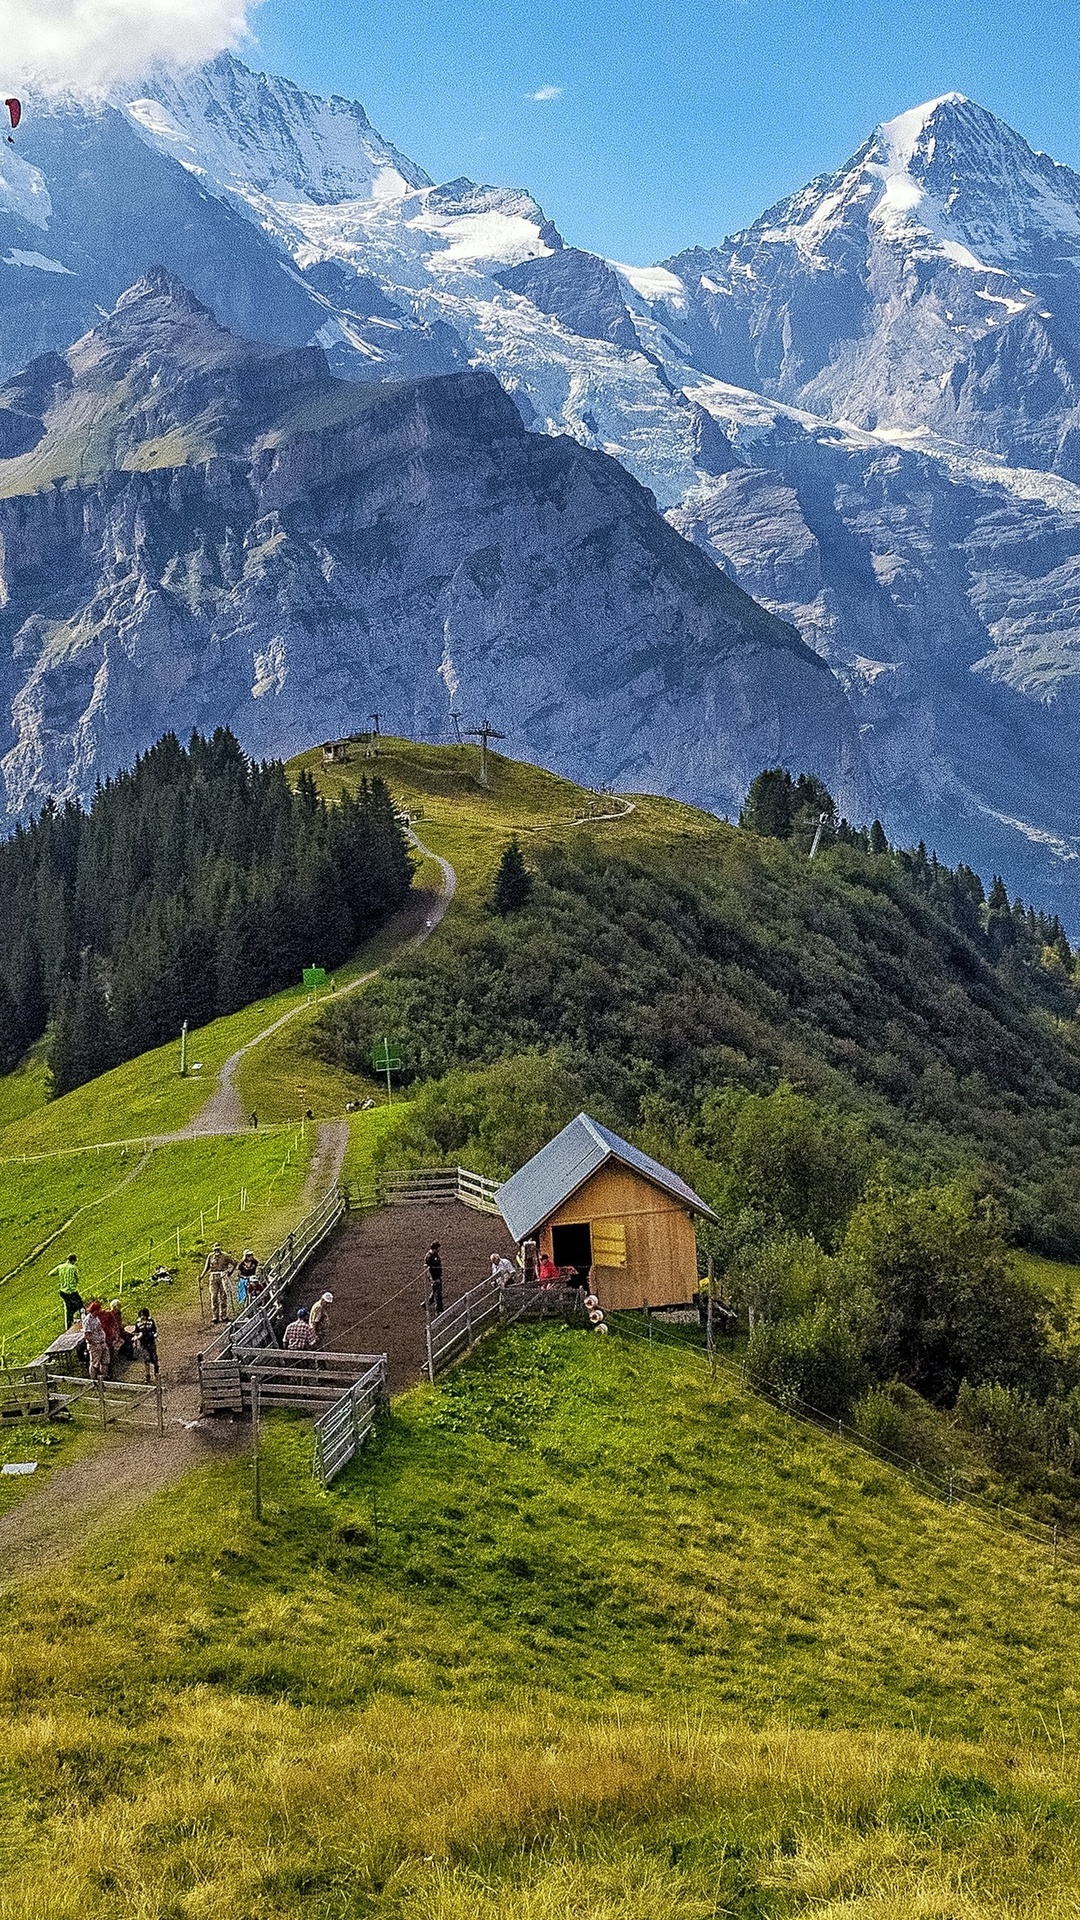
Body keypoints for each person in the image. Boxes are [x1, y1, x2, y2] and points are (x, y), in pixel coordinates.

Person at [202, 1244, 236, 1324]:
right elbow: (206, 1267)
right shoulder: (210, 1256)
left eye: (218, 1249)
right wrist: (201, 1276)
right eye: (215, 1250)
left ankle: (223, 1315)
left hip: (222, 1276)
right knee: (214, 1296)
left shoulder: (225, 1256)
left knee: (223, 1295)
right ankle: (215, 1316)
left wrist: (230, 1272)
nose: (216, 1251)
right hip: (213, 1277)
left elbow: (234, 1263)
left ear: (220, 1249)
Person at [52, 1251, 83, 1328]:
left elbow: (51, 1273)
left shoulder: (60, 1267)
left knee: (68, 1308)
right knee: (81, 1306)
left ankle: (69, 1325)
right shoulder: (73, 1268)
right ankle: (84, 1321)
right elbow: (77, 1278)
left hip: (63, 1292)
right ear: (73, 1260)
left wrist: (60, 1273)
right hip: (72, 1291)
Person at [81, 1301, 109, 1380]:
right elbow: (87, 1334)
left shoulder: (96, 1318)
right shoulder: (88, 1320)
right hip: (95, 1345)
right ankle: (93, 1380)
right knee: (94, 1363)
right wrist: (93, 1343)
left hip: (102, 1342)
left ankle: (104, 1378)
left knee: (105, 1361)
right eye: (99, 1309)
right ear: (95, 1310)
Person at [133, 1307, 159, 1382]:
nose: (142, 1317)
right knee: (146, 1359)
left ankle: (157, 1375)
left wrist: (155, 1335)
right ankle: (147, 1376)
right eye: (141, 1315)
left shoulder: (151, 1321)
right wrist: (137, 1337)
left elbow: (154, 1330)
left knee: (154, 1358)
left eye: (144, 1315)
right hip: (143, 1343)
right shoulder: (138, 1323)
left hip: (151, 1342)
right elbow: (136, 1332)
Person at [425, 1242, 443, 1316]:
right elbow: (428, 1270)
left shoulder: (435, 1255)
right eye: (438, 1248)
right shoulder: (429, 1257)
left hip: (438, 1277)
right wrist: (432, 1279)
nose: (439, 1249)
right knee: (437, 1294)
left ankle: (427, 1303)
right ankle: (438, 1310)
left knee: (436, 1291)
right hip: (434, 1278)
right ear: (435, 1248)